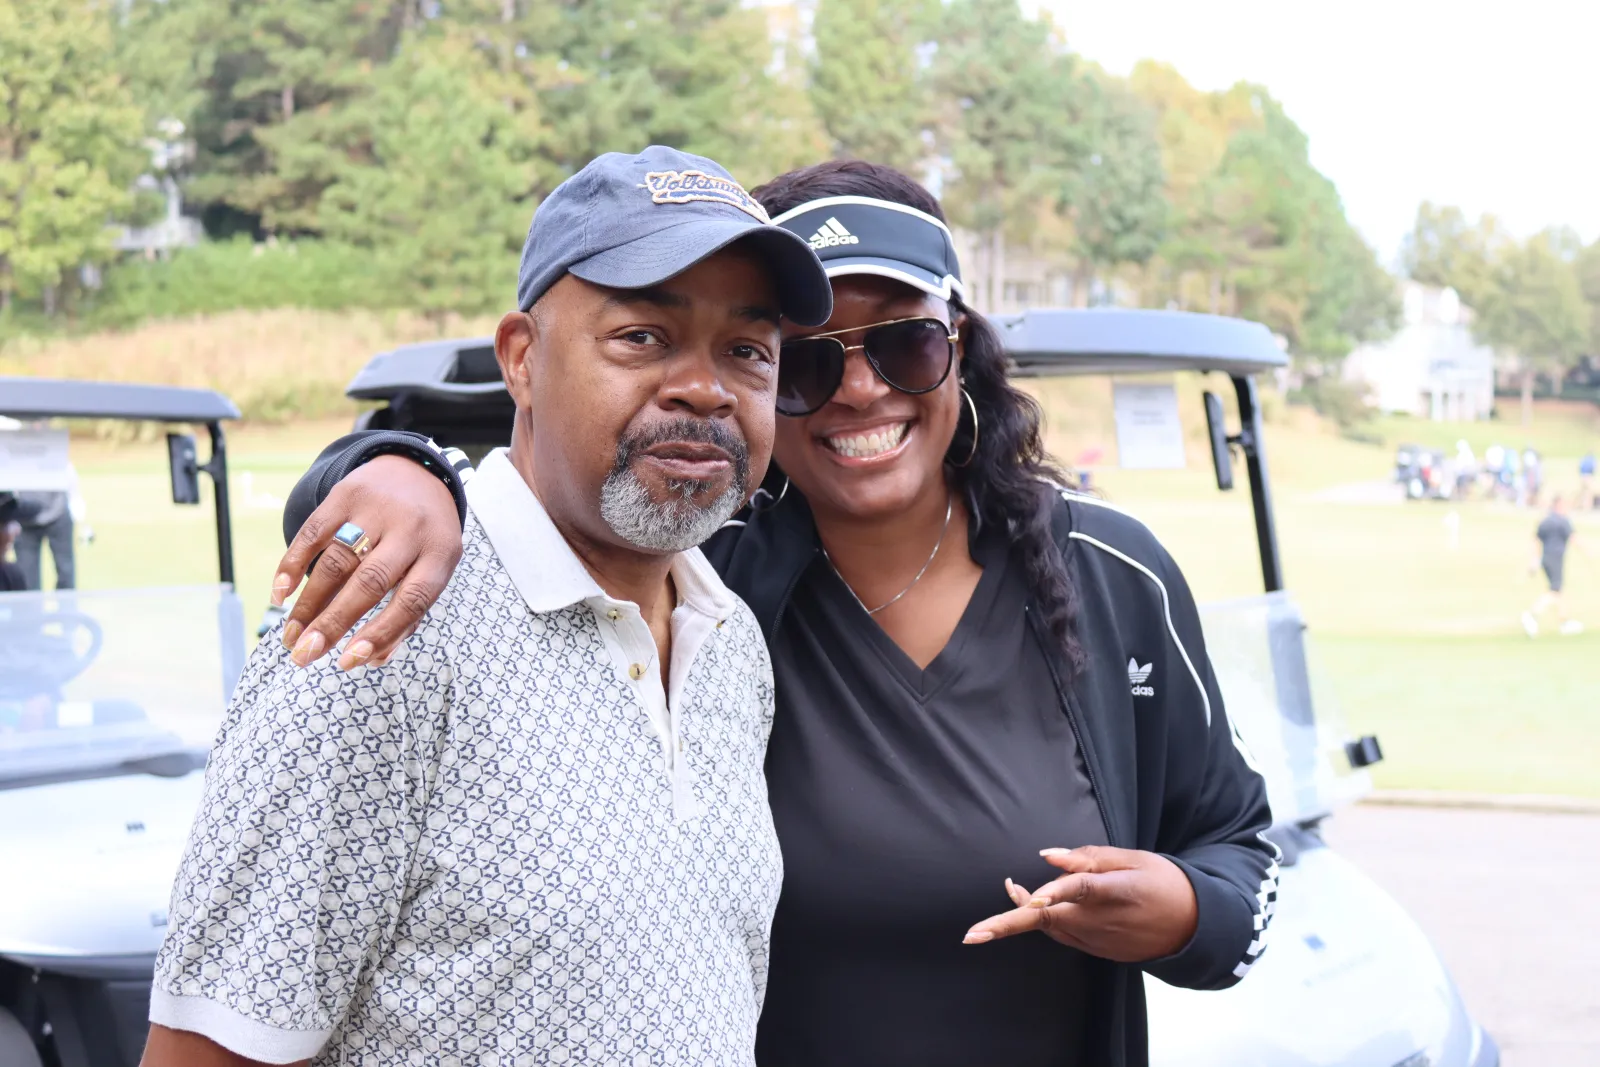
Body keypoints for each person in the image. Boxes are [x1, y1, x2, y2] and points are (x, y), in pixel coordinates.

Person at [268, 160, 1278, 1066]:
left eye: (905, 344)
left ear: (960, 348)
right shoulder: (702, 565)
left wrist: (1184, 913)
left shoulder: (1108, 575)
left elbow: (1239, 846)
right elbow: (537, 458)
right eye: (803, 360)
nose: (859, 389)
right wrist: (388, 466)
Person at [141, 145, 835, 1066]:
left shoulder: (730, 640)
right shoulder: (387, 622)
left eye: (746, 351)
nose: (704, 387)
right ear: (521, 359)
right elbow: (212, 1049)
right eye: (643, 337)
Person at [12, 466, 88, 590]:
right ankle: (31, 609)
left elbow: (70, 478)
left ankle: (66, 609)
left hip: (58, 514)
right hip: (24, 519)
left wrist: (78, 515)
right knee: (27, 579)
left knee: (66, 573)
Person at [1522, 494, 1584, 636]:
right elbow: (1573, 538)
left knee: (1558, 590)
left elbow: (1535, 539)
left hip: (1545, 558)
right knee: (1554, 590)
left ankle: (1564, 622)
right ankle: (1532, 615)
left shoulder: (1545, 521)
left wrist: (1534, 560)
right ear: (1559, 505)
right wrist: (1589, 551)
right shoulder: (1563, 521)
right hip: (1555, 558)